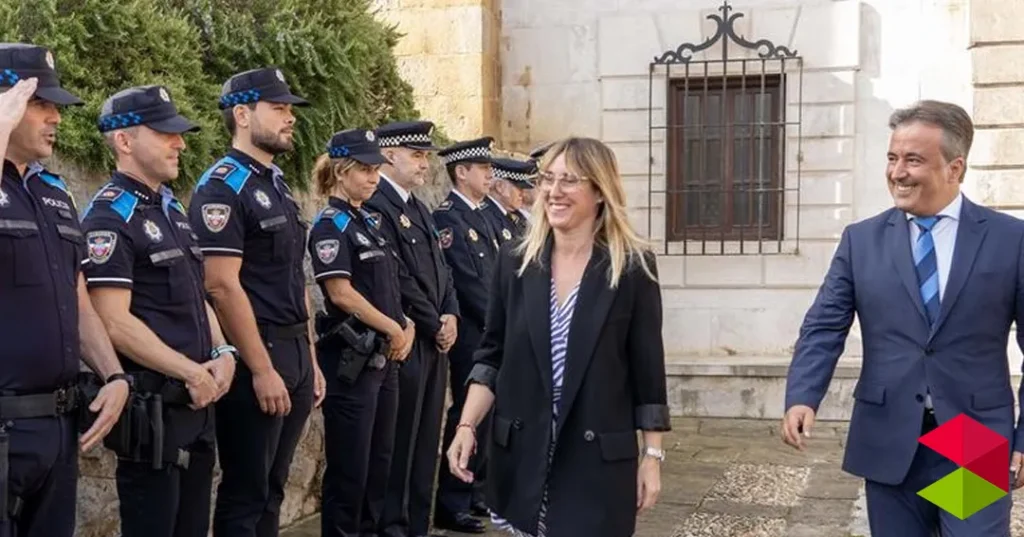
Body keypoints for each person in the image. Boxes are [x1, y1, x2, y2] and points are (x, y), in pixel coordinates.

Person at [782, 100, 1024, 536]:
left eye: (913, 160)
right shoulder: (862, 240)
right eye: (892, 158)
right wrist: (803, 395)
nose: (897, 172)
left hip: (971, 439)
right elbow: (823, 326)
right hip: (890, 434)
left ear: (955, 168)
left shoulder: (1010, 240)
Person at [446, 136, 669, 537]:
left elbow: (648, 372)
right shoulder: (515, 261)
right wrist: (465, 426)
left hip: (597, 459)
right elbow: (491, 356)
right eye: (548, 178)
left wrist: (652, 455)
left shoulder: (632, 267)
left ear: (600, 190)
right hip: (524, 456)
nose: (553, 191)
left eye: (570, 180)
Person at [81, 85, 237, 537]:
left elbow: (196, 296)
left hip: (197, 405)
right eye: (166, 133)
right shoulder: (110, 217)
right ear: (124, 141)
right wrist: (192, 372)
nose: (181, 143)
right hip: (156, 415)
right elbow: (113, 321)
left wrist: (224, 350)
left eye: (180, 133)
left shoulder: (171, 210)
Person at [188, 67, 327, 537]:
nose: (291, 118)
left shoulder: (275, 184)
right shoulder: (222, 186)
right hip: (257, 352)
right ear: (243, 114)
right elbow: (221, 286)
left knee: (273, 488)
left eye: (290, 109)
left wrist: (310, 359)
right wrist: (263, 368)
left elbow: (294, 279)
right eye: (280, 108)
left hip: (292, 351)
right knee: (246, 493)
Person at [0, 43, 129, 537]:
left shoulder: (52, 192)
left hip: (57, 428)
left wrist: (115, 375)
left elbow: (78, 302)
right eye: (40, 104)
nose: (56, 117)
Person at [308, 128, 415, 537]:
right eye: (366, 170)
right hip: (352, 362)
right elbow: (341, 293)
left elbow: (388, 283)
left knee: (379, 463)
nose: (374, 178)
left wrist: (403, 322)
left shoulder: (370, 220)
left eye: (376, 169)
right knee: (350, 469)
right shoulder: (330, 225)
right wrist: (394, 327)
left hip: (383, 357)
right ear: (341, 170)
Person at [364, 120, 459, 537]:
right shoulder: (378, 204)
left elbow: (443, 271)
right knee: (398, 443)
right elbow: (396, 276)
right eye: (417, 155)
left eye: (425, 155)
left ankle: (416, 525)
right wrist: (432, 319)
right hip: (408, 338)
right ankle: (394, 527)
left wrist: (451, 313)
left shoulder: (419, 207)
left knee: (424, 442)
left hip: (435, 338)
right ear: (389, 155)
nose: (425, 164)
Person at [432, 137, 501, 535]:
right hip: (475, 334)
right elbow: (467, 281)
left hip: (491, 331)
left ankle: (476, 491)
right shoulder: (449, 218)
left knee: (487, 418)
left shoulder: (484, 217)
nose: (490, 174)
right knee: (466, 417)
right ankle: (452, 502)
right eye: (483, 167)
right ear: (462, 172)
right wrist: (501, 322)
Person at [482, 157, 535, 241]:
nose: (522, 193)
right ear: (500, 187)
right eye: (518, 188)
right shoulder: (484, 217)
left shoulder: (518, 216)